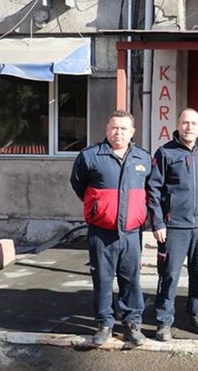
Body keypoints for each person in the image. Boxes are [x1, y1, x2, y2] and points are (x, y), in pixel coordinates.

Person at [70, 110, 151, 346]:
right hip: (101, 233)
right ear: (107, 129)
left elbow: (150, 189)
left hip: (131, 233)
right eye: (114, 127)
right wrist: (99, 208)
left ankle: (132, 323)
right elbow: (79, 185)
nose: (118, 132)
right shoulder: (91, 156)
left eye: (124, 128)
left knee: (131, 279)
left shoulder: (143, 158)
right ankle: (104, 323)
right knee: (102, 279)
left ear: (132, 132)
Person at [147, 109, 198, 341]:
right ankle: (163, 322)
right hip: (174, 228)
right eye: (185, 122)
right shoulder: (165, 152)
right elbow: (153, 189)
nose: (189, 127)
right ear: (178, 125)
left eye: (194, 123)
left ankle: (196, 316)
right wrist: (158, 222)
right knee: (169, 275)